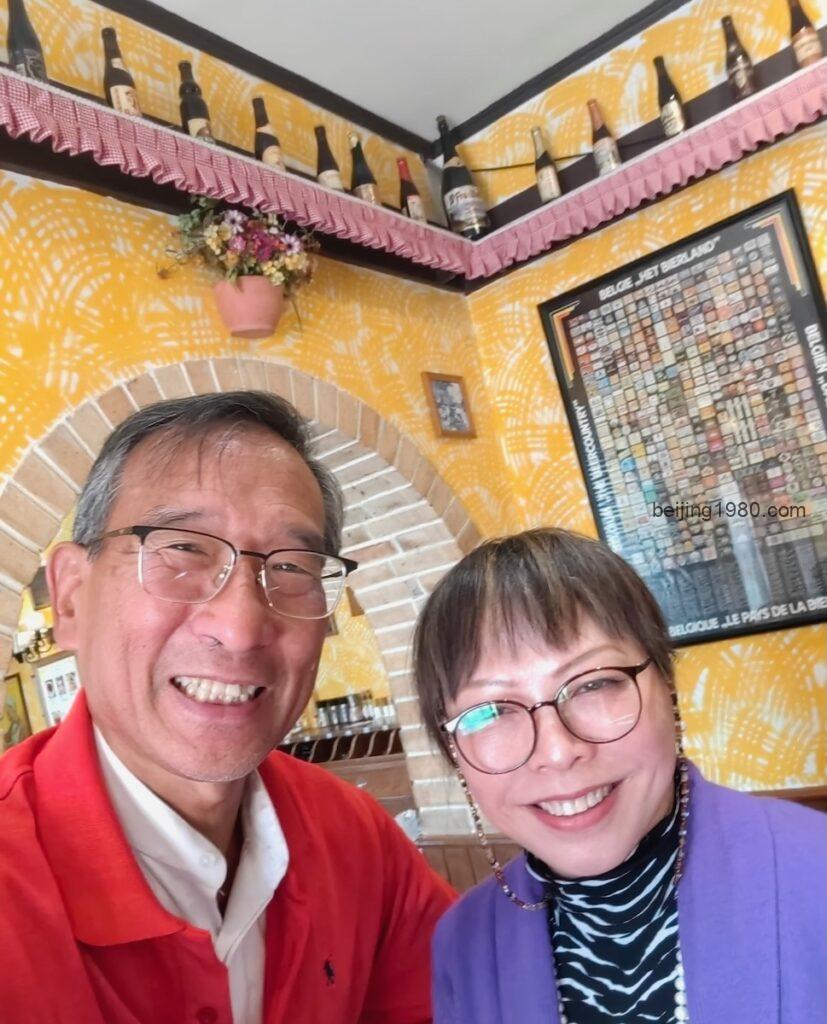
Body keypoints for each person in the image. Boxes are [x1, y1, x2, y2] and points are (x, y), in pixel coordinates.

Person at [0, 391, 454, 1024]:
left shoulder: (356, 838)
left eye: (292, 566)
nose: (241, 628)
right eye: (185, 550)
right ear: (71, 596)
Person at [413, 528, 825, 1024]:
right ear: (452, 749)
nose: (558, 752)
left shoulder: (814, 869)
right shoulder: (463, 947)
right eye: (491, 711)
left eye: (594, 685)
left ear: (667, 685)